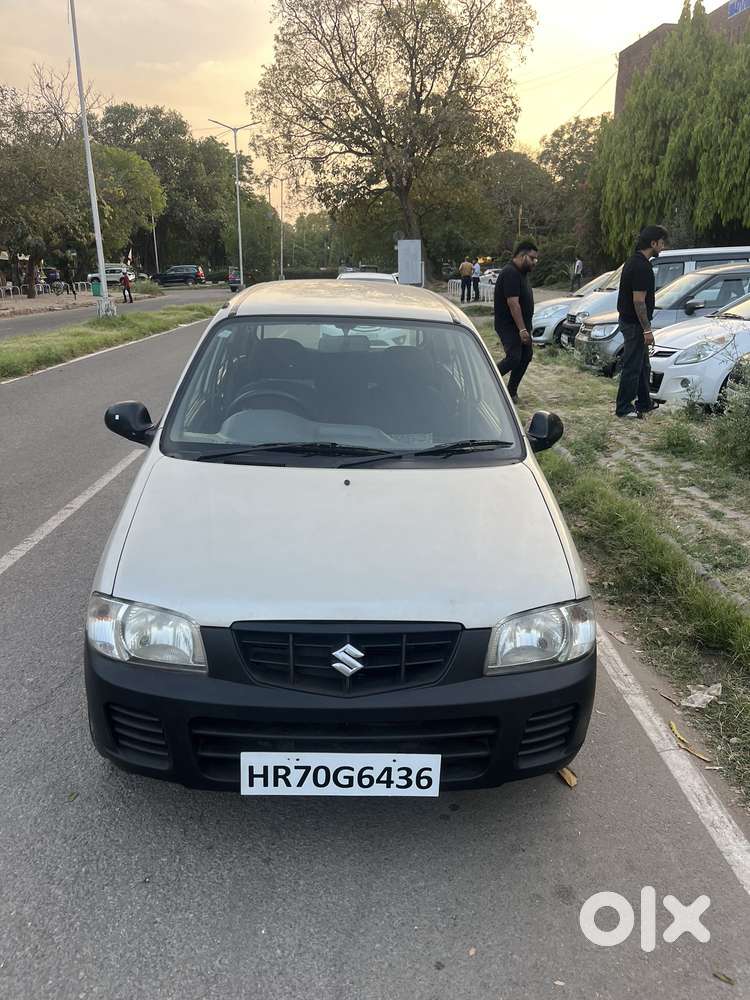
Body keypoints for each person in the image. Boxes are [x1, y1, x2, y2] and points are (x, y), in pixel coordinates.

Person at [615, 225, 668, 420]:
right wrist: (647, 329)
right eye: (662, 243)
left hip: (630, 321)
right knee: (632, 365)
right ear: (653, 243)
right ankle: (623, 407)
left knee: (643, 365)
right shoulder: (641, 266)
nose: (663, 247)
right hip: (634, 324)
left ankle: (645, 402)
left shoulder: (634, 261)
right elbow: (639, 301)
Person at [493, 240, 539, 403]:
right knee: (514, 357)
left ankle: (511, 391)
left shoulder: (522, 273)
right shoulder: (510, 273)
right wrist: (521, 329)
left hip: (522, 325)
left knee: (526, 356)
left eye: (536, 259)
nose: (534, 262)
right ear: (522, 255)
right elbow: (513, 303)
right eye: (532, 258)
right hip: (509, 325)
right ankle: (488, 381)